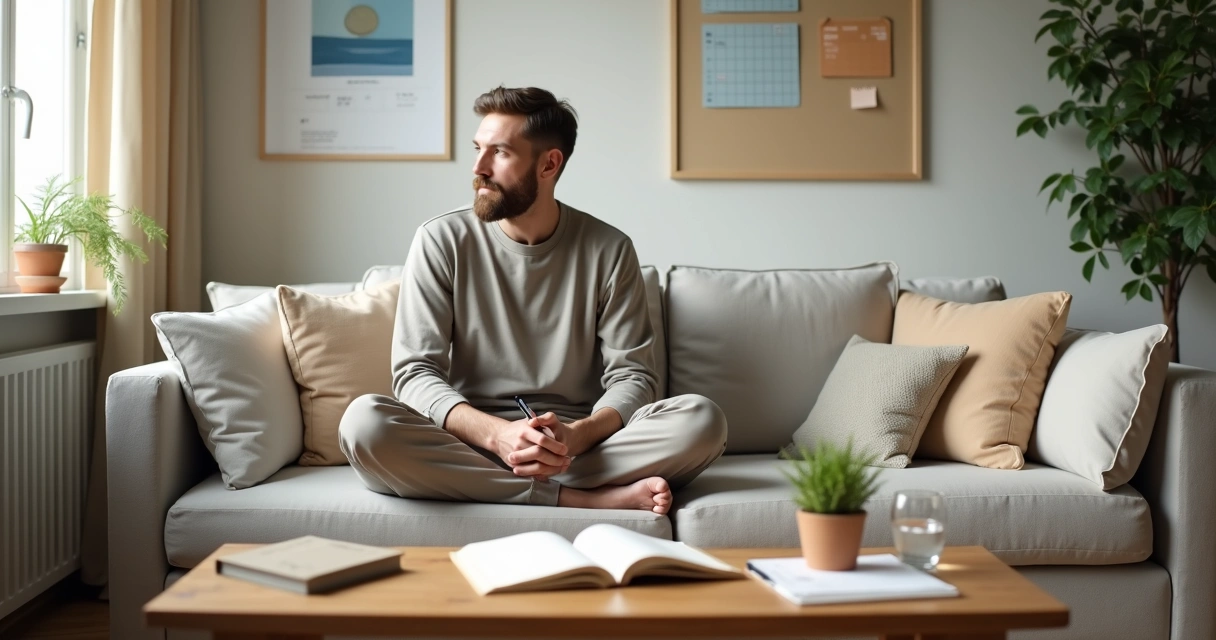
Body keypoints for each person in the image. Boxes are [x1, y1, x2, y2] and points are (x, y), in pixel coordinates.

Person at [339, 86, 727, 514]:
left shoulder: (609, 249)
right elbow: (415, 373)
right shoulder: (441, 240)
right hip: (472, 442)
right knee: (365, 423)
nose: (478, 168)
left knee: (702, 421)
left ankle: (507, 485)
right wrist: (498, 436)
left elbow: (634, 377)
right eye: (478, 149)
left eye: (500, 153)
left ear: (549, 163)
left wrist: (576, 435)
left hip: (575, 450)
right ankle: (578, 499)